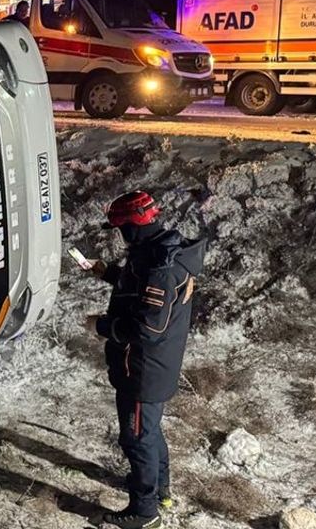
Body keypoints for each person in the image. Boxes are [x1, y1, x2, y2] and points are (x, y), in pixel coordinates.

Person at [85, 191, 205, 529]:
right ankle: (160, 491)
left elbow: (149, 327)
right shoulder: (158, 252)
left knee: (136, 437)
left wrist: (104, 326)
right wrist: (108, 272)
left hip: (143, 369)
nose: (120, 234)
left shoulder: (162, 268)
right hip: (153, 366)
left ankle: (144, 510)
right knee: (149, 432)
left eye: (121, 227)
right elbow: (138, 285)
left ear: (135, 226)